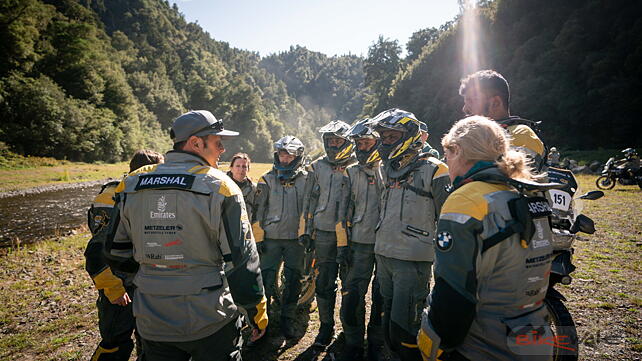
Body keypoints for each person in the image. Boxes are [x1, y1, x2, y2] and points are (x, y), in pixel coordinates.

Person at [105, 110, 268, 361]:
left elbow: (115, 252)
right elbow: (242, 260)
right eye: (217, 142)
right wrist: (256, 311)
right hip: (210, 318)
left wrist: (153, 276)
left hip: (151, 318)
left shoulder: (131, 184)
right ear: (195, 143)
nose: (222, 149)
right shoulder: (221, 187)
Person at [418, 116, 555, 361]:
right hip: (535, 339)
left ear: (457, 150)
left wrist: (437, 344)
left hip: (481, 346)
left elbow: (454, 292)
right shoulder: (528, 191)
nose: (447, 164)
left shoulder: (467, 200)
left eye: (447, 155)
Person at [372, 109, 450, 361]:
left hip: (412, 261)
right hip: (383, 256)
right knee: (386, 325)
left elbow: (449, 222)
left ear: (409, 135)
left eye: (391, 134)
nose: (385, 140)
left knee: (404, 331)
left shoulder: (436, 170)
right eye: (382, 135)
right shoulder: (386, 169)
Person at [85, 149, 164, 361]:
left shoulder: (148, 193)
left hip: (145, 283)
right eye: (158, 172)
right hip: (120, 286)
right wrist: (114, 289)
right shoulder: (114, 195)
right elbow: (95, 252)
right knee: (115, 343)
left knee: (148, 339)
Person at [302, 120, 356, 347]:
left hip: (352, 234)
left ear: (347, 141)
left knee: (350, 283)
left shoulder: (359, 164)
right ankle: (326, 327)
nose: (333, 144)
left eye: (338, 140)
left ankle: (350, 329)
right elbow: (309, 199)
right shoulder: (316, 166)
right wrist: (305, 230)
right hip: (323, 232)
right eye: (330, 140)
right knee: (324, 282)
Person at [337, 119, 385, 361]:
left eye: (367, 142)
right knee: (353, 294)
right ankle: (354, 341)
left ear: (377, 143)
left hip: (386, 244)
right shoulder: (350, 171)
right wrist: (343, 244)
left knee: (381, 295)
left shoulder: (388, 169)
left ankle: (376, 341)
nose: (363, 147)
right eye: (360, 143)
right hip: (358, 242)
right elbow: (343, 209)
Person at [251, 136, 308, 339]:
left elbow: (309, 210)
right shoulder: (266, 179)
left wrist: (307, 234)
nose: (284, 159)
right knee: (265, 282)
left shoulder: (306, 180)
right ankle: (262, 324)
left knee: (293, 282)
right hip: (271, 241)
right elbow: (257, 211)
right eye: (282, 155)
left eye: (289, 155)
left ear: (297, 156)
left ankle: (287, 320)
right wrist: (258, 239)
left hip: (296, 241)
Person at [459, 70, 546, 171]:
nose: (465, 109)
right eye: (465, 102)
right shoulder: (476, 138)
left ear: (495, 103)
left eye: (471, 100)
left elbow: (513, 181)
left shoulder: (521, 135)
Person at [227, 152, 257, 222]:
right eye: (237, 166)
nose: (241, 169)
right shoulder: (221, 186)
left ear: (248, 169)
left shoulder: (254, 189)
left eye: (244, 166)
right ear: (231, 168)